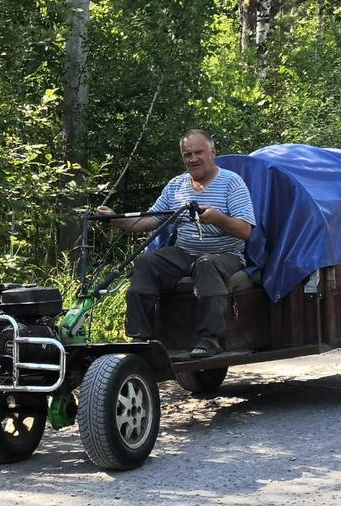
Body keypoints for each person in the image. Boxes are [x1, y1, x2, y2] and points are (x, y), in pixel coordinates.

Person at [97, 129, 256, 357]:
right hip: (184, 252)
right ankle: (140, 338)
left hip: (225, 255)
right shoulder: (176, 185)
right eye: (187, 154)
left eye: (198, 152)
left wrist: (218, 218)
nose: (193, 159)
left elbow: (245, 230)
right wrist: (115, 219)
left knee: (206, 264)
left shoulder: (232, 183)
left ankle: (210, 339)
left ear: (212, 152)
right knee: (146, 261)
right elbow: (151, 220)